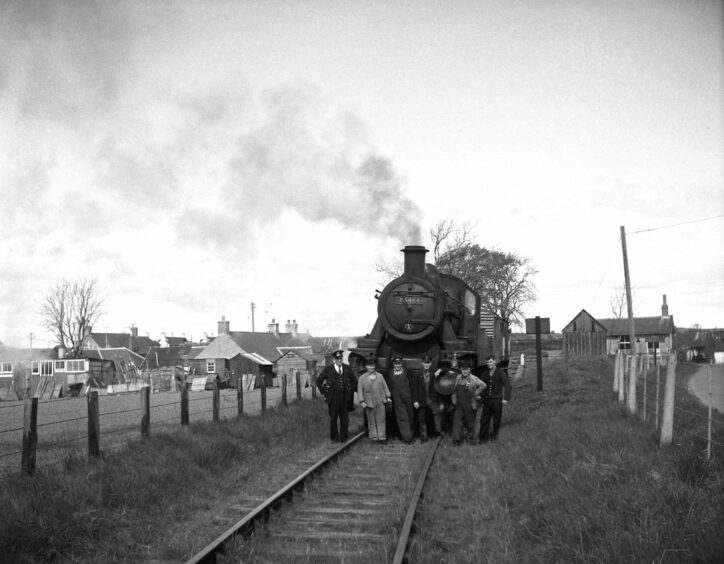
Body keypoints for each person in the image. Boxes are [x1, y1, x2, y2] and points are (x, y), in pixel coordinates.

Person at [316, 350, 358, 443]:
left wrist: (350, 392)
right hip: (333, 397)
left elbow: (354, 381)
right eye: (337, 359)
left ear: (342, 358)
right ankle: (334, 438)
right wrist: (324, 392)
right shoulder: (328, 369)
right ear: (334, 359)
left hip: (345, 397)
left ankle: (344, 437)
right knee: (333, 419)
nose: (339, 360)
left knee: (345, 419)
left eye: (340, 358)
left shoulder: (347, 368)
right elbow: (318, 381)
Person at [451, 360, 486, 446]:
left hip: (469, 405)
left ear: (470, 369)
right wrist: (454, 398)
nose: (465, 371)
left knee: (470, 423)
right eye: (463, 369)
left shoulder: (473, 378)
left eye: (466, 369)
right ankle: (456, 440)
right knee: (457, 422)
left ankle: (472, 441)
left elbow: (483, 385)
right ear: (460, 369)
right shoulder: (458, 377)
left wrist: (476, 393)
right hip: (459, 404)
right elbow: (454, 389)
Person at [357, 358, 392, 444]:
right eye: (369, 365)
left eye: (372, 365)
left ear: (375, 366)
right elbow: (360, 390)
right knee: (371, 420)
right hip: (369, 402)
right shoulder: (362, 378)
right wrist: (362, 401)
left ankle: (382, 437)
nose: (371, 367)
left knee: (381, 419)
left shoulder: (380, 376)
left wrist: (388, 396)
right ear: (366, 367)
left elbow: (385, 386)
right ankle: (373, 437)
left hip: (380, 400)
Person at [478, 356, 512, 443]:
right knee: (484, 420)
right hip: (487, 400)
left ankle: (494, 437)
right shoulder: (485, 373)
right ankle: (482, 439)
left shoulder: (500, 373)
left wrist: (506, 399)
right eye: (488, 362)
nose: (489, 364)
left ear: (494, 362)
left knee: (496, 420)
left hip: (497, 400)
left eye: (490, 362)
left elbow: (508, 386)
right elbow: (481, 386)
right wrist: (481, 397)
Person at [388, 356, 414, 443]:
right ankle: (407, 437)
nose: (397, 365)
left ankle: (411, 433)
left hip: (408, 398)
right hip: (398, 399)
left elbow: (412, 384)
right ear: (393, 364)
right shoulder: (391, 373)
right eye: (396, 364)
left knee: (410, 417)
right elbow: (390, 386)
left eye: (399, 363)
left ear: (401, 364)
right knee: (402, 417)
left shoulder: (407, 372)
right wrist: (389, 397)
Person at [415, 355, 439, 440]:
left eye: (428, 363)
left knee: (435, 414)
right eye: (425, 363)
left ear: (431, 363)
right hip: (421, 399)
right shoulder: (418, 374)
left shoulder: (434, 373)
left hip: (431, 399)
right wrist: (415, 401)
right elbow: (415, 388)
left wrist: (439, 372)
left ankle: (436, 433)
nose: (426, 364)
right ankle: (423, 437)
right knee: (422, 419)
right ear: (422, 363)